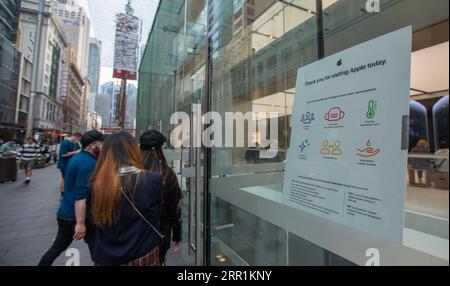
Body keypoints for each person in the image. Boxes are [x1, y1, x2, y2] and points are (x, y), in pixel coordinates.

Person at [90, 132, 163, 266]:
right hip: (143, 254)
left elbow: (92, 224)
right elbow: (157, 214)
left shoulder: (96, 185)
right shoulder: (153, 180)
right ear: (134, 150)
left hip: (106, 256)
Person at [38, 130, 105, 266]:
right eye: (101, 144)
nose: (104, 147)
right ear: (92, 146)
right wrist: (80, 223)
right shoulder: (88, 163)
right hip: (75, 216)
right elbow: (81, 196)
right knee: (97, 250)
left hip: (65, 213)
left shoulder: (80, 157)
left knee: (56, 249)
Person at [139, 130, 182, 265]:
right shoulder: (167, 174)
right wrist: (176, 235)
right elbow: (173, 209)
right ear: (160, 149)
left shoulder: (131, 171)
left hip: (132, 234)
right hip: (158, 233)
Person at [57, 133, 82, 197]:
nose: (78, 141)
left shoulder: (75, 143)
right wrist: (75, 152)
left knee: (69, 179)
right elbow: (63, 154)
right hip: (64, 164)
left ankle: (68, 192)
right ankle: (62, 194)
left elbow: (79, 150)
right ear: (75, 136)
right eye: (78, 139)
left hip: (71, 164)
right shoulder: (65, 143)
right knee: (64, 178)